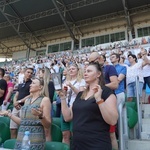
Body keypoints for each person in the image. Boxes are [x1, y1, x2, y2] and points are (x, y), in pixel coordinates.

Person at [59, 62, 118, 150]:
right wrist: (63, 98)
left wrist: (99, 100)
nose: (85, 73)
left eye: (89, 71)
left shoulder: (106, 92)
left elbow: (112, 120)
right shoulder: (80, 95)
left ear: (98, 74)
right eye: (85, 71)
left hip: (97, 144)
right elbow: (67, 117)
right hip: (78, 144)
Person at [0, 78, 51, 150]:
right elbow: (22, 122)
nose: (30, 85)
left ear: (41, 87)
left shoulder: (45, 100)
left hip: (35, 139)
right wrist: (8, 114)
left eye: (33, 83)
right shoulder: (27, 100)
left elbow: (48, 125)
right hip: (21, 137)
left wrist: (40, 116)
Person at [89, 52, 119, 150]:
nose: (91, 63)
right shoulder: (90, 72)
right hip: (94, 102)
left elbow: (115, 84)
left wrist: (100, 87)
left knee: (111, 134)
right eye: (90, 62)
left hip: (107, 100)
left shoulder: (109, 68)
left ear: (100, 58)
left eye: (93, 61)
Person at [61, 63, 85, 145]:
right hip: (65, 106)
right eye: (69, 69)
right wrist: (62, 92)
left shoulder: (81, 81)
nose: (71, 70)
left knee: (73, 133)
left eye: (73, 69)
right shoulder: (65, 81)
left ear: (78, 70)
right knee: (65, 134)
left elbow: (81, 94)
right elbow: (63, 95)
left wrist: (71, 86)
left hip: (75, 106)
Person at [10, 67, 33, 138]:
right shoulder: (20, 84)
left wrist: (19, 101)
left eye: (31, 73)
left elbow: (31, 95)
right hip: (16, 107)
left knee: (23, 128)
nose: (29, 74)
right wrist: (14, 102)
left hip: (25, 107)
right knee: (13, 128)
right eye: (28, 72)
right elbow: (16, 95)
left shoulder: (32, 83)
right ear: (24, 73)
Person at [38, 67, 55, 141]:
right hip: (39, 107)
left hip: (47, 108)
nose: (38, 74)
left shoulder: (50, 83)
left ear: (44, 73)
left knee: (47, 131)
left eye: (40, 72)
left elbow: (50, 96)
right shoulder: (39, 83)